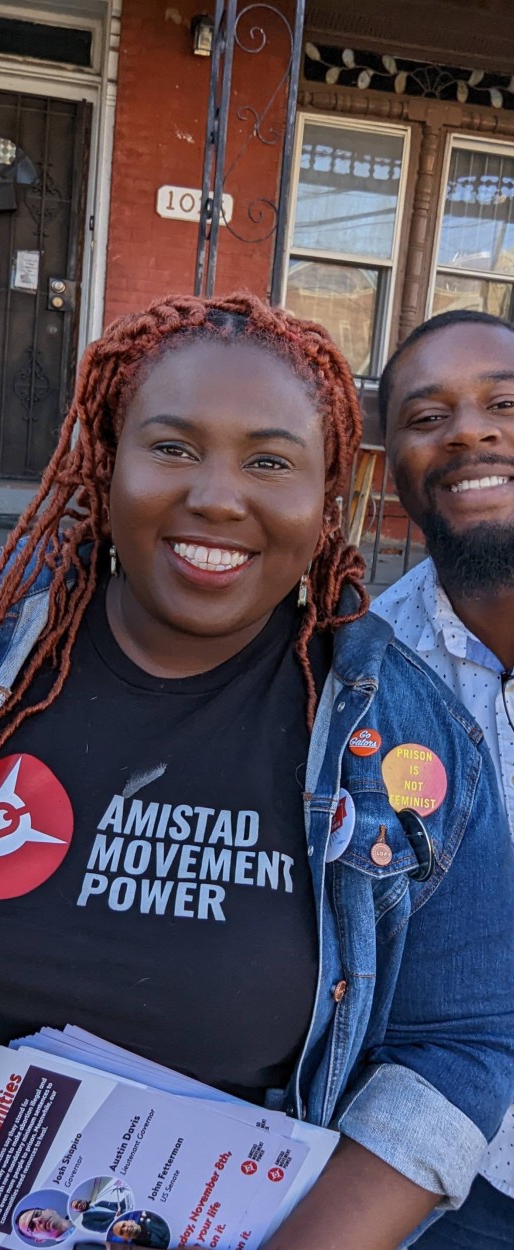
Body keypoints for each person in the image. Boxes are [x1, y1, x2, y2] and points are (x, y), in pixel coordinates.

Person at [0, 293, 513, 1250]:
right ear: (104, 462)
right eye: (170, 447)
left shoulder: (411, 730)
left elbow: (458, 1044)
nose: (216, 494)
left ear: (329, 497)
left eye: (269, 461)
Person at [374, 308, 514, 1248]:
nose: (469, 430)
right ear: (390, 467)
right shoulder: (364, 678)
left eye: (504, 403)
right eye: (428, 416)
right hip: (464, 1175)